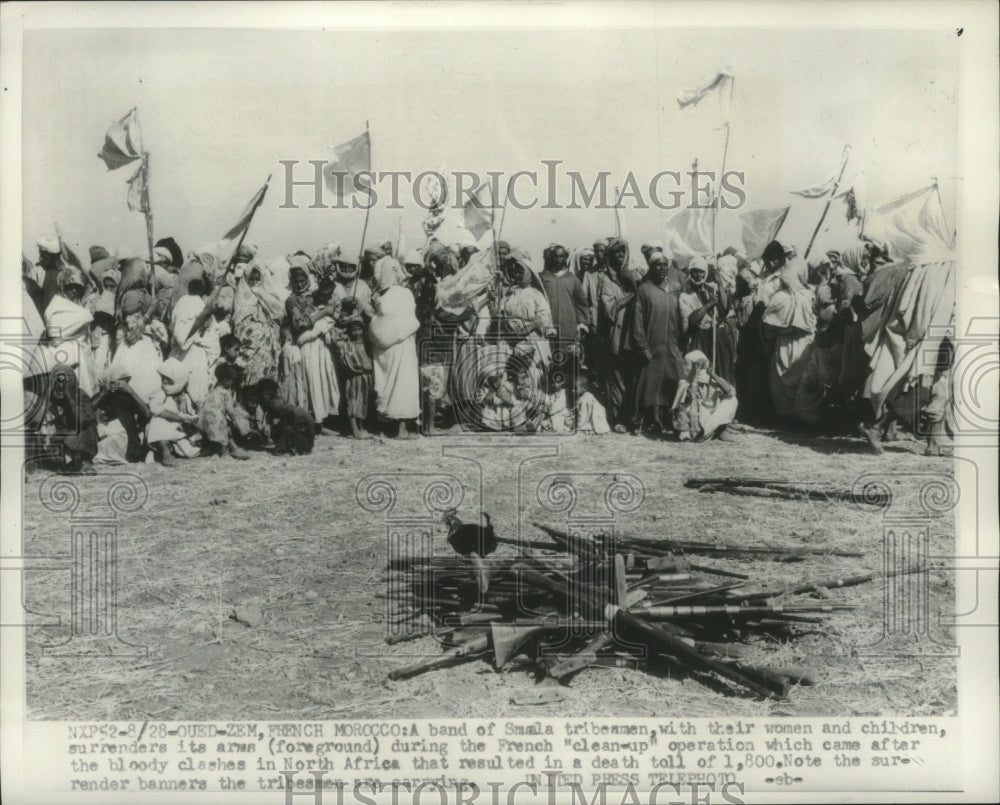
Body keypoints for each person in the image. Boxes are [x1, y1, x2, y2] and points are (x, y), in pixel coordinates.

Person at [627, 251, 685, 436]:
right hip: (652, 344)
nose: (661, 268)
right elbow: (637, 321)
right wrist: (642, 346)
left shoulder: (675, 288)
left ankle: (668, 421)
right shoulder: (644, 289)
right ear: (651, 267)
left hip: (672, 345)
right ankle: (644, 422)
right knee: (649, 384)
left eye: (664, 265)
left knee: (671, 380)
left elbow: (682, 317)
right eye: (657, 265)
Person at [284, 259, 341, 431]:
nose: (300, 285)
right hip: (306, 343)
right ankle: (315, 421)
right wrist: (322, 313)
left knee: (323, 376)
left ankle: (323, 418)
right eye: (296, 282)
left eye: (302, 281)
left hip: (320, 342)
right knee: (312, 379)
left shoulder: (314, 295)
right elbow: (298, 324)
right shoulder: (291, 300)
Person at [597, 237, 642, 432]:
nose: (620, 256)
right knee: (617, 379)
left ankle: (634, 417)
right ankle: (617, 419)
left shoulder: (635, 275)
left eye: (623, 252)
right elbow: (609, 309)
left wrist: (633, 282)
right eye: (616, 253)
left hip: (635, 333)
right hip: (617, 334)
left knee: (634, 377)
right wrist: (630, 296)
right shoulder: (606, 279)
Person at [368, 279, 421, 438]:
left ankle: (394, 428)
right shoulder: (401, 293)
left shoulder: (389, 295)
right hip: (396, 346)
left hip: (393, 346)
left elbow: (382, 316)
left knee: (394, 385)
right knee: (397, 385)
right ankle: (396, 428)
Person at [43, 266, 98, 397]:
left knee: (83, 391)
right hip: (66, 354)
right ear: (63, 286)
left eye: (78, 288)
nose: (74, 291)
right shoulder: (57, 305)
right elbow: (55, 331)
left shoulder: (75, 305)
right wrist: (85, 314)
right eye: (70, 287)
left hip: (80, 353)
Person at [679, 255, 735, 383]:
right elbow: (691, 322)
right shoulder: (685, 296)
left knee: (722, 372)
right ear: (690, 272)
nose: (698, 275)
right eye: (695, 272)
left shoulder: (712, 289)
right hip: (701, 339)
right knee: (702, 376)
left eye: (701, 272)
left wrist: (719, 283)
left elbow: (724, 309)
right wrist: (708, 305)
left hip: (717, 336)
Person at [232, 259, 283, 386]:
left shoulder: (268, 294)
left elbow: (278, 314)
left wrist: (261, 294)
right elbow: (239, 322)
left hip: (268, 347)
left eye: (257, 280)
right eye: (251, 280)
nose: (254, 283)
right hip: (251, 346)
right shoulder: (243, 296)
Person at [41, 364, 99, 474]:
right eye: (58, 380)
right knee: (58, 453)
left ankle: (77, 462)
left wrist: (69, 396)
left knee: (82, 430)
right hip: (61, 437)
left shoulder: (81, 395)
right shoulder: (51, 397)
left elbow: (82, 422)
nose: (61, 385)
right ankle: (70, 464)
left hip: (80, 437)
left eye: (65, 381)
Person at [671, 350, 738, 442]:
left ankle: (712, 432)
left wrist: (712, 374)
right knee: (691, 403)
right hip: (694, 423)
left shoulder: (711, 380)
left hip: (709, 421)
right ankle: (697, 434)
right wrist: (696, 372)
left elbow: (731, 392)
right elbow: (691, 396)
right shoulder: (684, 383)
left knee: (732, 400)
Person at [146, 358, 202, 467]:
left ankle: (170, 449)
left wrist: (191, 419)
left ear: (178, 379)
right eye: (163, 378)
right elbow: (155, 408)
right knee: (157, 420)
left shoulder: (185, 395)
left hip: (181, 430)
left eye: (169, 379)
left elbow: (191, 412)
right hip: (165, 427)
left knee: (190, 451)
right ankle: (165, 451)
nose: (164, 381)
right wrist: (179, 418)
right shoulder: (160, 392)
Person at [197, 364, 252, 459]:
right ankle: (224, 451)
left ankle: (215, 449)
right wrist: (240, 424)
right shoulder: (225, 393)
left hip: (204, 422)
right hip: (217, 423)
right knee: (226, 426)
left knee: (219, 423)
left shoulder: (212, 390)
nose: (232, 383)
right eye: (232, 381)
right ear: (226, 380)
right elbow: (231, 412)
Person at [333, 316, 374, 438]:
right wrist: (344, 333)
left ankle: (361, 427)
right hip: (353, 378)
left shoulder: (367, 344)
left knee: (363, 402)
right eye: (354, 330)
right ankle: (354, 429)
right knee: (352, 401)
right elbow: (335, 340)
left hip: (366, 377)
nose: (357, 333)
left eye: (359, 329)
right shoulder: (346, 345)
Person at [252, 378, 315, 455]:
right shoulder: (274, 402)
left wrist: (280, 445)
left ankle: (288, 448)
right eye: (264, 394)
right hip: (301, 422)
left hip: (301, 426)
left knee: (286, 428)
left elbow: (289, 420)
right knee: (282, 427)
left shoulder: (275, 403)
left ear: (273, 393)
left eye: (268, 394)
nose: (266, 397)